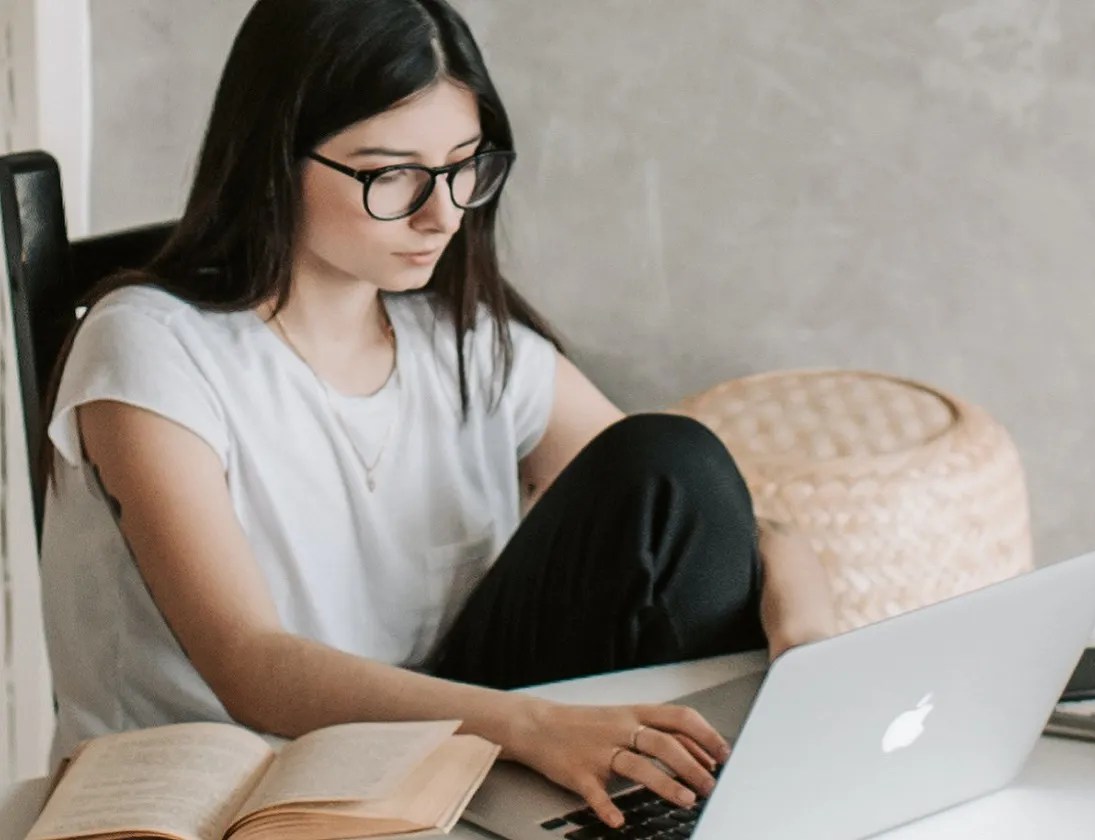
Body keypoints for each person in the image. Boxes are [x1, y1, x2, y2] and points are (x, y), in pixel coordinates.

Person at [37, 0, 835, 828]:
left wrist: (809, 649)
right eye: (393, 177)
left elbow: (700, 508)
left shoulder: (462, 338)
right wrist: (537, 730)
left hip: (442, 753)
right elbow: (250, 664)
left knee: (673, 459)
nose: (445, 214)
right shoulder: (150, 348)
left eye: (464, 168)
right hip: (235, 784)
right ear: (274, 160)